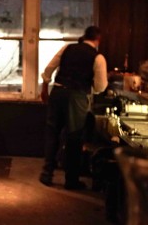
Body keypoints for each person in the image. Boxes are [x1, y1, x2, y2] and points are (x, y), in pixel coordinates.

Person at [39, 26, 108, 190]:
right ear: (98, 40)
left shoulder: (67, 48)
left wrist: (44, 88)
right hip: (76, 97)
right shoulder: (98, 57)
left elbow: (49, 69)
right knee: (74, 138)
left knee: (52, 133)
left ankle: (46, 174)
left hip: (57, 92)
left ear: (84, 36)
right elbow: (100, 87)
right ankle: (71, 181)